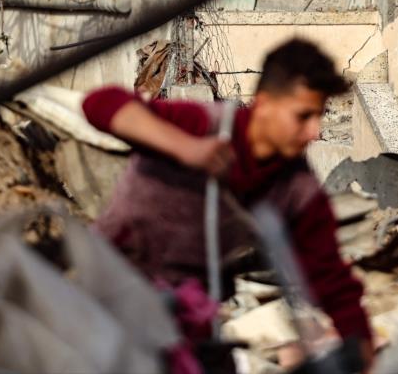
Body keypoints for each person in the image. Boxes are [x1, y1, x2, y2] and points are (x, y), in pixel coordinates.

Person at [82, 38, 373, 370]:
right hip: (107, 291)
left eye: (319, 116)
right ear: (263, 105)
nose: (314, 131)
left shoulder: (295, 187)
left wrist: (360, 343)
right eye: (303, 116)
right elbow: (100, 104)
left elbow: (329, 276)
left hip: (184, 317)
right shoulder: (204, 125)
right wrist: (186, 148)